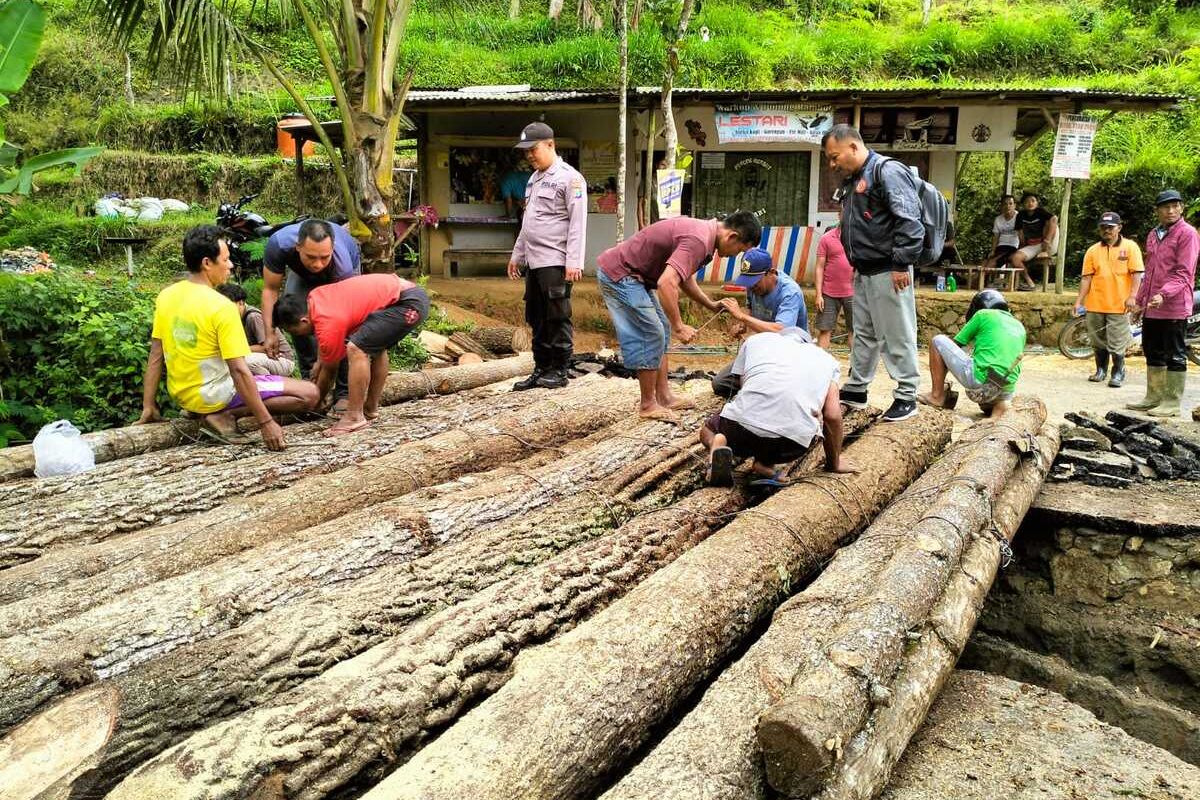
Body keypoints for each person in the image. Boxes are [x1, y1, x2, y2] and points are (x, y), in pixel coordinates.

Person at [135, 225, 318, 449]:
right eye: (226, 259)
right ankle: (224, 414)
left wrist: (149, 405)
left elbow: (156, 355)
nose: (230, 265)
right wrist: (266, 422)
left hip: (184, 396)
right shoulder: (221, 306)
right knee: (310, 393)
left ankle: (209, 411)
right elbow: (239, 371)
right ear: (207, 263)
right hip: (217, 395)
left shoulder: (167, 296)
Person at [597, 212, 761, 420]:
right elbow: (666, 283)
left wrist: (710, 305)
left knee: (661, 330)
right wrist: (679, 325)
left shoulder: (705, 236)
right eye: (740, 250)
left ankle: (664, 396)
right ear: (732, 237)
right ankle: (647, 405)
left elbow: (684, 278)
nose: (735, 255)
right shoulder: (699, 240)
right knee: (650, 332)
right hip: (620, 274)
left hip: (637, 277)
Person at [821, 123, 922, 423]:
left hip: (888, 268)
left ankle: (907, 394)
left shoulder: (886, 171)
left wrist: (901, 263)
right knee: (863, 332)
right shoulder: (855, 179)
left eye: (835, 156)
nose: (832, 163)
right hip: (863, 270)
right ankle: (857, 388)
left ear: (853, 146)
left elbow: (909, 220)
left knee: (896, 332)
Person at [273, 273, 430, 436]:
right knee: (376, 347)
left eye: (293, 331)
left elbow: (330, 371)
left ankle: (355, 416)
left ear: (304, 321)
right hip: (407, 294)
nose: (296, 335)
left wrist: (315, 401)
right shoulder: (316, 298)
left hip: (407, 304)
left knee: (356, 348)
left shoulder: (328, 322)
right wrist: (319, 362)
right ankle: (370, 409)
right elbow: (324, 342)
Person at [700, 327, 852, 486]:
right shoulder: (827, 360)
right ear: (809, 344)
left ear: (780, 336)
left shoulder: (756, 340)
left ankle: (718, 442)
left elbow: (744, 385)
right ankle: (765, 464)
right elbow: (832, 415)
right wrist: (834, 463)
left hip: (740, 430)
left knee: (709, 430)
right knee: (793, 426)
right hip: (790, 443)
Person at [506, 122, 587, 391]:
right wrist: (517, 254)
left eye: (534, 149)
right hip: (534, 260)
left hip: (556, 260)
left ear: (550, 145)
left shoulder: (570, 178)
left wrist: (574, 261)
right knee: (536, 316)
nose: (529, 155)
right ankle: (540, 369)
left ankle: (560, 369)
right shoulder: (533, 179)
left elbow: (577, 223)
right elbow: (528, 222)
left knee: (557, 316)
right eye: (525, 151)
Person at [259, 219, 362, 412]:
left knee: (346, 332)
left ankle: (344, 391)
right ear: (298, 247)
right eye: (311, 257)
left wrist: (323, 359)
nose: (318, 264)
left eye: (324, 257)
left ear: (331, 250)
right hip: (301, 274)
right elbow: (270, 290)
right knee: (296, 318)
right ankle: (311, 383)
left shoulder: (342, 265)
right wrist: (269, 332)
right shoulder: (279, 244)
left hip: (341, 278)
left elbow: (342, 319)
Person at [1127, 189, 1200, 417]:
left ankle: (1172, 401)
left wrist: (1164, 294)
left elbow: (1184, 272)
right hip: (1152, 308)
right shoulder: (1153, 234)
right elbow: (1149, 272)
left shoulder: (1187, 234)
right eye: (1165, 207)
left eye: (1174, 206)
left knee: (1175, 353)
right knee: (1152, 351)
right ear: (1157, 211)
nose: (1170, 211)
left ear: (1181, 208)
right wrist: (1140, 302)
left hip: (1174, 306)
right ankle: (1153, 396)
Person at [711, 247, 809, 398]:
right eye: (748, 282)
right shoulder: (753, 288)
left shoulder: (790, 292)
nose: (751, 286)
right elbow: (750, 310)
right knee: (720, 383)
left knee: (777, 388)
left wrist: (742, 317)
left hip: (790, 354)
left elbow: (780, 331)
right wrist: (742, 327)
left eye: (755, 282)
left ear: (771, 272)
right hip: (765, 351)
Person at [918, 289, 1026, 420]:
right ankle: (999, 405)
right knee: (985, 405)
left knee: (938, 341)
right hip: (1006, 389)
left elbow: (955, 345)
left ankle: (937, 396)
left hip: (980, 381)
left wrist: (941, 373)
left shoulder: (983, 314)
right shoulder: (1019, 326)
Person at [1074, 211, 1144, 388]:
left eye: (1110, 227)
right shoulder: (1092, 251)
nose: (1107, 231)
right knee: (1097, 339)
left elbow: (1137, 274)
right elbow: (1086, 278)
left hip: (1119, 303)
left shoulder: (1130, 247)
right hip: (1095, 303)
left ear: (1119, 228)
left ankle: (1118, 372)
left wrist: (1133, 297)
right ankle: (1101, 370)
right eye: (1103, 227)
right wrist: (1079, 301)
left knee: (1117, 341)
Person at [216, 283, 296, 378]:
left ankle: (269, 385)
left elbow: (267, 348)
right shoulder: (236, 319)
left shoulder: (253, 317)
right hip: (267, 359)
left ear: (241, 302)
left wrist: (238, 349)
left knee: (245, 362)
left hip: (282, 359)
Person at [814, 223, 854, 352]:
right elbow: (819, 267)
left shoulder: (859, 236)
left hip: (854, 292)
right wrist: (819, 294)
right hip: (828, 293)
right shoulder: (826, 238)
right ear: (839, 215)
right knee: (825, 330)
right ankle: (820, 367)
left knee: (855, 331)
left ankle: (856, 369)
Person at [1009, 192, 1058, 290]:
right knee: (1015, 258)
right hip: (1033, 245)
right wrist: (1021, 248)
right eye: (1027, 201)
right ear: (1023, 204)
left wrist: (1047, 241)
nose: (1030, 203)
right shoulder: (1021, 215)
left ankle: (1045, 251)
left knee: (1049, 222)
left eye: (1033, 201)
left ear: (1037, 203)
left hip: (1048, 243)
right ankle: (1030, 283)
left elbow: (1054, 219)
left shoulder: (1041, 212)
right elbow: (1020, 233)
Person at [982, 194, 1020, 273]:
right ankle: (980, 280)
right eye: (1005, 204)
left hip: (1013, 247)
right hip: (1001, 246)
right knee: (985, 261)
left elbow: (1022, 235)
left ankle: (977, 281)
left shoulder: (1019, 217)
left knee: (992, 262)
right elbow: (996, 236)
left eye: (1010, 204)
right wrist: (993, 250)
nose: (1007, 206)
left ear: (1015, 205)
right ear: (1002, 206)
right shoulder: (998, 219)